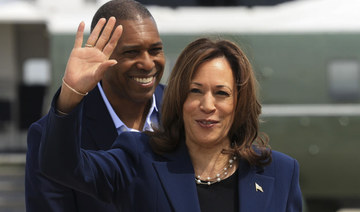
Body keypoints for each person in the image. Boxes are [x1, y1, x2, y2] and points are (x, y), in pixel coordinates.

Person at [39, 17, 303, 212]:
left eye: (221, 93)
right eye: (195, 91)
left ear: (239, 103)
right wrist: (72, 94)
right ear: (180, 98)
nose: (207, 105)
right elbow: (61, 167)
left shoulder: (279, 172)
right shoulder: (138, 158)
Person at [25, 1, 165, 211]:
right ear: (102, 57)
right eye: (131, 53)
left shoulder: (187, 111)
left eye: (155, 50)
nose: (147, 63)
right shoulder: (48, 137)